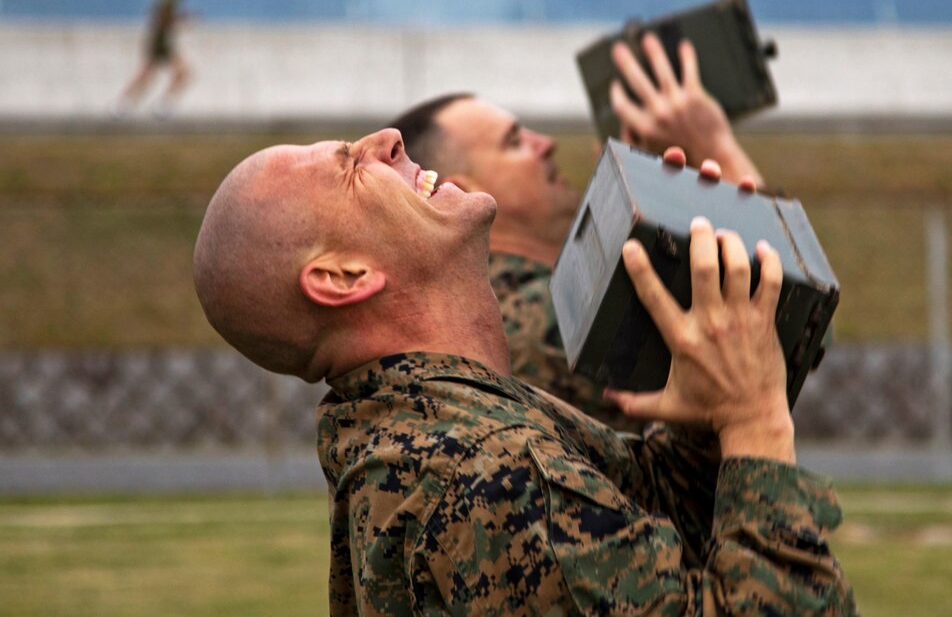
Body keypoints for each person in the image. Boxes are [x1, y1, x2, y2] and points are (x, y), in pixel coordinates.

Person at [192, 127, 855, 614]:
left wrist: (713, 413)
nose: (387, 139)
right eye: (348, 166)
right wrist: (755, 420)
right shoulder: (480, 470)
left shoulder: (449, 428)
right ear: (342, 277)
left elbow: (650, 534)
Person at [388, 33, 765, 430]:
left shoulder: (477, 310)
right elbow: (775, 339)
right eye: (515, 142)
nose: (546, 144)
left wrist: (657, 197)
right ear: (460, 195)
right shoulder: (556, 317)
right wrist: (714, 147)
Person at [114, 0, 194, 117]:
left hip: (160, 39)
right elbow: (162, 18)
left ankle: (126, 104)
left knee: (150, 73)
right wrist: (181, 19)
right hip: (160, 40)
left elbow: (155, 13)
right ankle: (160, 105)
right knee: (179, 73)